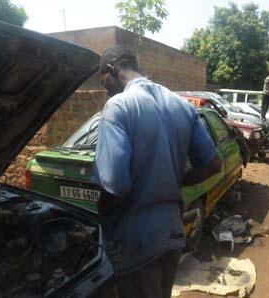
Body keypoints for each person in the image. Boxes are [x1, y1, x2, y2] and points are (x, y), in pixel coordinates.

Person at [91, 46, 222, 298]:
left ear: (111, 70)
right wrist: (175, 181)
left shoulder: (117, 106)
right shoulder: (181, 105)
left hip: (136, 240)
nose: (106, 88)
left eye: (103, 81)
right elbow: (213, 164)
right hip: (172, 232)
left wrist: (102, 214)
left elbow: (114, 186)